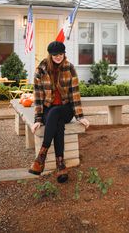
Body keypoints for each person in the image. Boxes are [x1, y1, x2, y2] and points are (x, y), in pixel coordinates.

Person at [28, 41, 89, 183]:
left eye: (61, 54)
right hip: (49, 110)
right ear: (50, 55)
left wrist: (79, 116)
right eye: (55, 54)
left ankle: (41, 156)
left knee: (57, 114)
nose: (58, 57)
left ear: (64, 54)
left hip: (66, 109)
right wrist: (38, 119)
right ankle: (60, 164)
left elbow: (75, 93)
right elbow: (38, 96)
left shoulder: (70, 68)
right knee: (57, 122)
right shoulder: (41, 70)